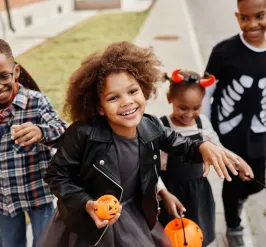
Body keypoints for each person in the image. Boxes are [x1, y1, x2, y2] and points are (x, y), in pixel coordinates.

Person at [37, 41, 241, 247]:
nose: (127, 101)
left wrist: (202, 147)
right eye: (114, 97)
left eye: (133, 91)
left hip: (132, 218)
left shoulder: (150, 126)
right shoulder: (83, 134)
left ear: (144, 90)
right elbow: (56, 175)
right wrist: (86, 203)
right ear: (99, 107)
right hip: (89, 226)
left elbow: (180, 144)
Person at [158, 69, 254, 247]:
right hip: (171, 191)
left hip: (198, 190)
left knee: (198, 230)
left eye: (196, 108)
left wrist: (239, 163)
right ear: (170, 98)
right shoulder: (162, 126)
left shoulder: (203, 124)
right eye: (183, 108)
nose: (189, 114)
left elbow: (219, 149)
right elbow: (154, 163)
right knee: (171, 234)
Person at [202, 0, 266, 246]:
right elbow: (207, 93)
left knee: (256, 182)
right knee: (232, 185)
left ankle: (238, 200)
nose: (252, 24)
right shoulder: (223, 52)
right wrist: (207, 134)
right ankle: (233, 226)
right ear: (237, 16)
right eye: (244, 18)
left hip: (261, 133)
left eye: (260, 16)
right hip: (228, 135)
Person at [0, 39, 68, 247]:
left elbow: (64, 131)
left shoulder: (36, 102)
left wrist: (41, 132)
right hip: (4, 200)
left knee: (46, 242)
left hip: (38, 193)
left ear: (17, 72)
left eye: (3, 76)